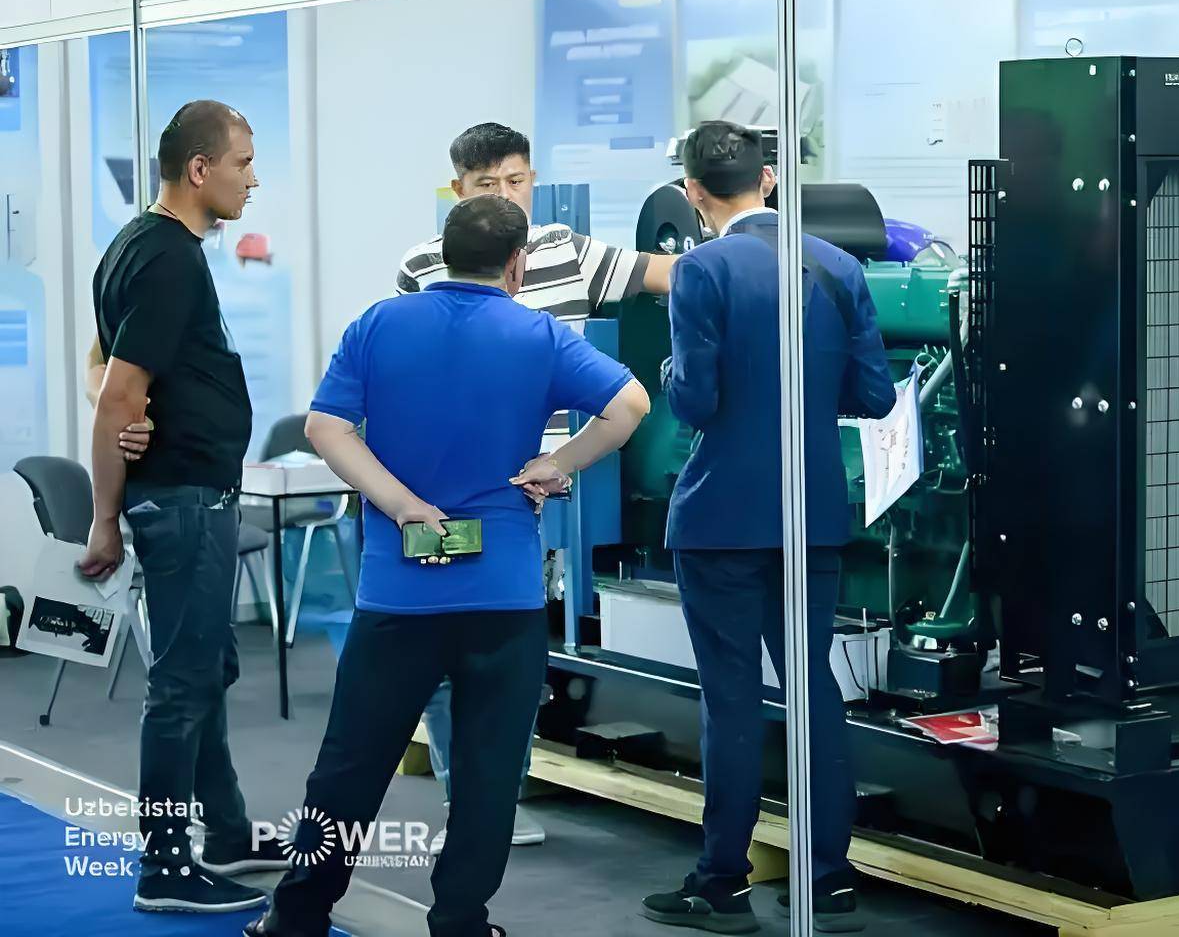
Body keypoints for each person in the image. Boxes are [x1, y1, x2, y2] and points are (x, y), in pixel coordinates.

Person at [243, 194, 649, 937]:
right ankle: (460, 922)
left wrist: (401, 505)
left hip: (397, 596)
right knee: (489, 773)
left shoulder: (378, 324)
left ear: (442, 256)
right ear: (517, 265)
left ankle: (296, 917)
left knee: (349, 766)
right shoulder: (539, 335)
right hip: (504, 595)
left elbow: (325, 427)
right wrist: (557, 463)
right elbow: (630, 405)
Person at [641, 122, 896, 934]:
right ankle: (830, 882)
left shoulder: (700, 270)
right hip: (813, 517)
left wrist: (670, 371)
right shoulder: (839, 266)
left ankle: (722, 885)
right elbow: (877, 395)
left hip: (721, 518)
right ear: (770, 180)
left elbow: (696, 401)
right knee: (812, 691)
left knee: (731, 701)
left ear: (691, 193)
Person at [396, 122, 676, 849]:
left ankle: (497, 800)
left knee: (514, 657)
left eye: (516, 180)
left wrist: (759, 247)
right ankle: (468, 803)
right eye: (486, 184)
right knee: (447, 655)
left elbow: (668, 273)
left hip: (545, 492)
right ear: (457, 190)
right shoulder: (420, 267)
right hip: (449, 494)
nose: (504, 194)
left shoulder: (566, 251)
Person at [79, 100, 287, 914]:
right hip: (183, 499)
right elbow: (115, 391)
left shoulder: (138, 243)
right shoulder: (167, 258)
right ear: (199, 170)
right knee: (182, 682)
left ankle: (226, 832)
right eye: (242, 163)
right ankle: (164, 867)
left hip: (191, 493)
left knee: (206, 668)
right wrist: (104, 518)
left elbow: (100, 366)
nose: (253, 179)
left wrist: (126, 413)